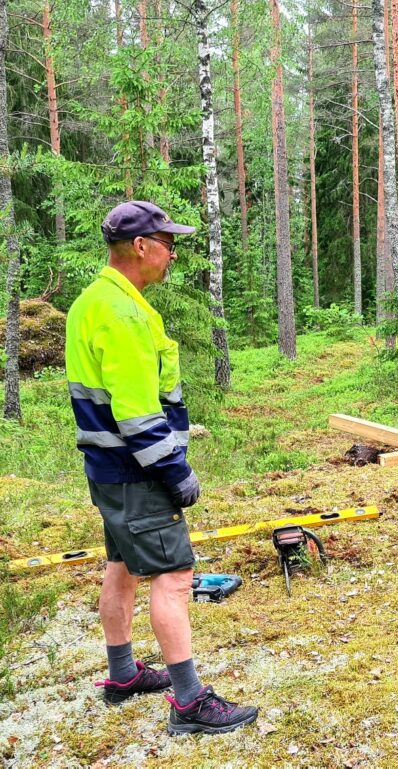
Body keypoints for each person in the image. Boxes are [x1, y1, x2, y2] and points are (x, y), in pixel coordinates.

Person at [65, 201, 257, 735]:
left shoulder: (93, 300)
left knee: (121, 566)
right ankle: (190, 703)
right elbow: (135, 412)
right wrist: (175, 471)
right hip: (136, 471)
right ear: (142, 247)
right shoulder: (122, 314)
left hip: (107, 470)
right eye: (168, 243)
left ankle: (123, 674)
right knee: (173, 577)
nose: (173, 253)